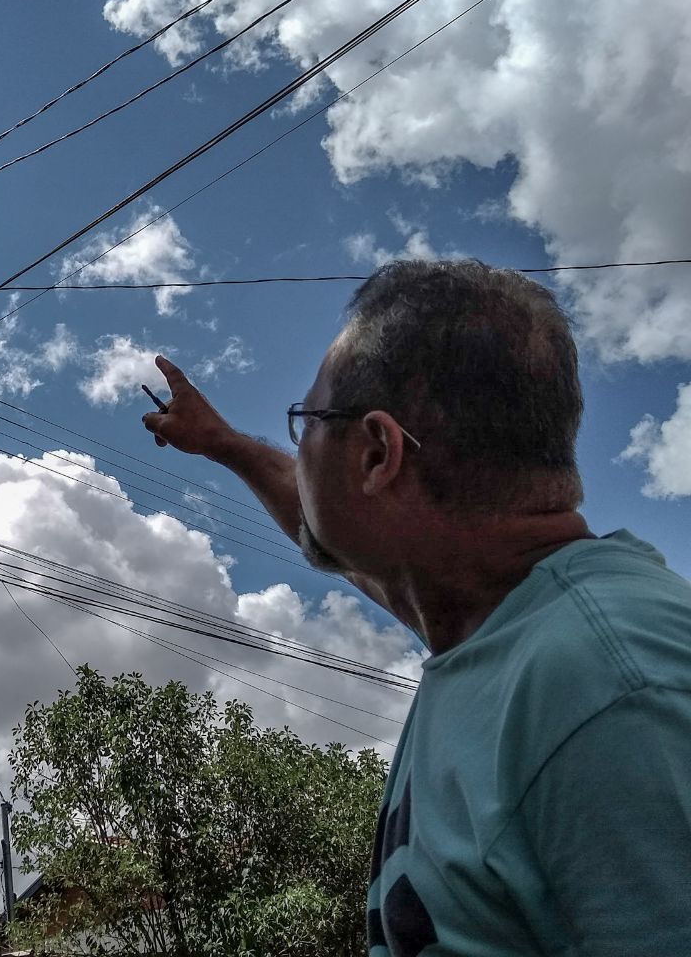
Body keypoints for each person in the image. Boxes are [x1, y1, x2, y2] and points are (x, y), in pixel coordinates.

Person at [141, 259, 691, 956]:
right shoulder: (498, 628)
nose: (297, 446)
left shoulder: (615, 691)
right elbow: (333, 538)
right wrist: (225, 446)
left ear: (378, 454)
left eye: (306, 420)